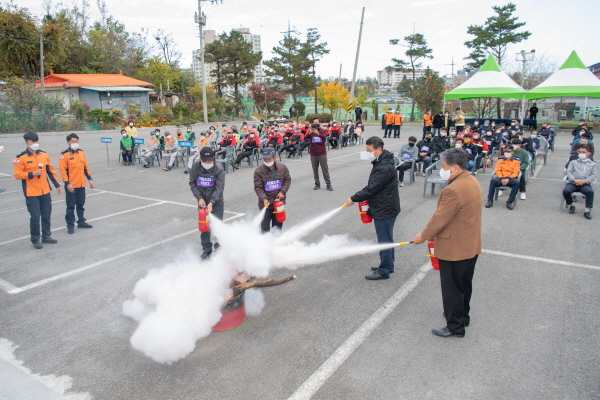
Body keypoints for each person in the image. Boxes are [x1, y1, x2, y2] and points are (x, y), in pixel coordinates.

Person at [411, 148, 482, 338]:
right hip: (470, 245)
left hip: (455, 248)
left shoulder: (453, 190)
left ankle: (455, 326)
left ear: (455, 167)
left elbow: (440, 219)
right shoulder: (472, 181)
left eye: (443, 166)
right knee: (464, 284)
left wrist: (423, 236)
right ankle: (463, 316)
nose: (441, 170)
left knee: (452, 289)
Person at [344, 136, 400, 280]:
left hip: (385, 208)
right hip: (385, 206)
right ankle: (388, 264)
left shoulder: (384, 167)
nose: (367, 153)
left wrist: (353, 198)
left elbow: (372, 188)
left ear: (379, 149)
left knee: (384, 240)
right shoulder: (382, 160)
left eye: (369, 150)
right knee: (387, 238)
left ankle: (384, 271)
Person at [13, 132, 62, 249]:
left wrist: (56, 184)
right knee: (35, 216)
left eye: (36, 141)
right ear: (26, 143)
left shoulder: (44, 155)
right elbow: (17, 175)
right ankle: (35, 239)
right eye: (32, 142)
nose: (35, 144)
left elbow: (50, 170)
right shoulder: (20, 158)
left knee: (46, 214)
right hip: (31, 192)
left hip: (45, 190)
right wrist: (32, 174)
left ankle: (46, 235)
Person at [189, 147, 225, 259]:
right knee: (204, 227)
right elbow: (192, 183)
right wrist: (199, 198)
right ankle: (206, 249)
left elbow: (219, 188)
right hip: (202, 203)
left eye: (210, 161)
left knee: (217, 226)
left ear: (213, 158)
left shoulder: (219, 169)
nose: (208, 163)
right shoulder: (195, 167)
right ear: (200, 159)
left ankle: (218, 249)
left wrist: (212, 202)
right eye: (205, 161)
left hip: (216, 202)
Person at [58, 133, 94, 234]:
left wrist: (90, 179)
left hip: (81, 184)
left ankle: (81, 221)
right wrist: (67, 183)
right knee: (70, 206)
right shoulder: (64, 155)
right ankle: (70, 225)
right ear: (68, 142)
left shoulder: (81, 153)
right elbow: (62, 171)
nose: (75, 143)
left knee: (80, 204)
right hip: (71, 185)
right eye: (73, 141)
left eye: (76, 141)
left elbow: (85, 167)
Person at [254, 147, 292, 233]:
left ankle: (276, 241)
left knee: (277, 228)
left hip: (278, 203)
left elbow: (287, 180)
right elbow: (258, 187)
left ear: (274, 157)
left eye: (269, 158)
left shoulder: (283, 167)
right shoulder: (258, 171)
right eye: (264, 159)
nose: (267, 161)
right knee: (265, 229)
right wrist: (264, 199)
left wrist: (282, 192)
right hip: (265, 204)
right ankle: (266, 242)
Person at [563, 144, 597, 220]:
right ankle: (571, 205)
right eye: (580, 152)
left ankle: (587, 210)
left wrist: (585, 181)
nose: (581, 154)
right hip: (573, 183)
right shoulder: (573, 162)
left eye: (583, 152)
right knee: (566, 191)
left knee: (590, 192)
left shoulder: (593, 164)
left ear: (588, 153)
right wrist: (574, 180)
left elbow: (593, 175)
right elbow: (569, 172)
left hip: (585, 184)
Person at [485, 144, 521, 210]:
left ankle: (510, 201)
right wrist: (501, 178)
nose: (507, 153)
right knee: (493, 181)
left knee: (517, 183)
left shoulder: (516, 161)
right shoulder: (500, 160)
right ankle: (490, 200)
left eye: (509, 152)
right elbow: (497, 170)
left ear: (512, 152)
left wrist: (508, 179)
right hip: (500, 178)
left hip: (510, 178)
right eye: (506, 151)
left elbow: (515, 172)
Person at [307, 118, 333, 191]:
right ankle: (317, 183)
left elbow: (324, 137)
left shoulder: (322, 130)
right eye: (314, 123)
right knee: (315, 169)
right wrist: (309, 133)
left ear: (319, 123)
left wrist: (318, 133)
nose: (315, 124)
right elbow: (305, 138)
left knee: (325, 169)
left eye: (317, 123)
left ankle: (328, 184)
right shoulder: (311, 131)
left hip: (322, 153)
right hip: (313, 153)